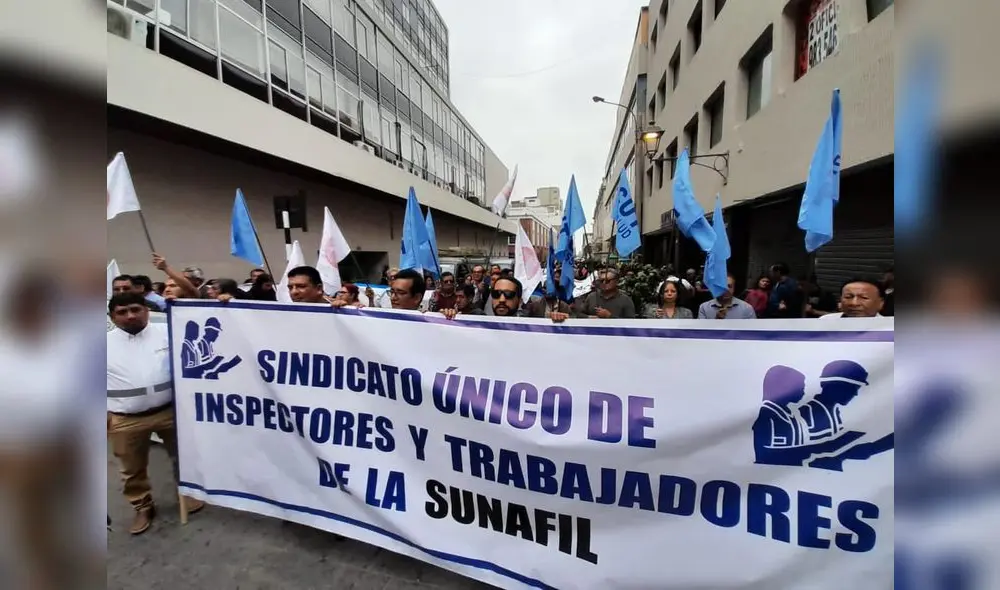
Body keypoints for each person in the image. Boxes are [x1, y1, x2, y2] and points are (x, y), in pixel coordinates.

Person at [107, 292, 205, 534]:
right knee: (132, 468)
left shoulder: (169, 333)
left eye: (135, 309)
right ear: (112, 317)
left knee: (183, 457)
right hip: (125, 419)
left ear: (146, 310)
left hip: (170, 411)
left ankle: (186, 493)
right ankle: (142, 505)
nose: (130, 315)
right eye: (122, 312)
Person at [820, 278, 885, 319]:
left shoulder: (890, 328)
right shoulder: (826, 321)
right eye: (848, 297)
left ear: (880, 303)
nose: (854, 303)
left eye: (864, 298)